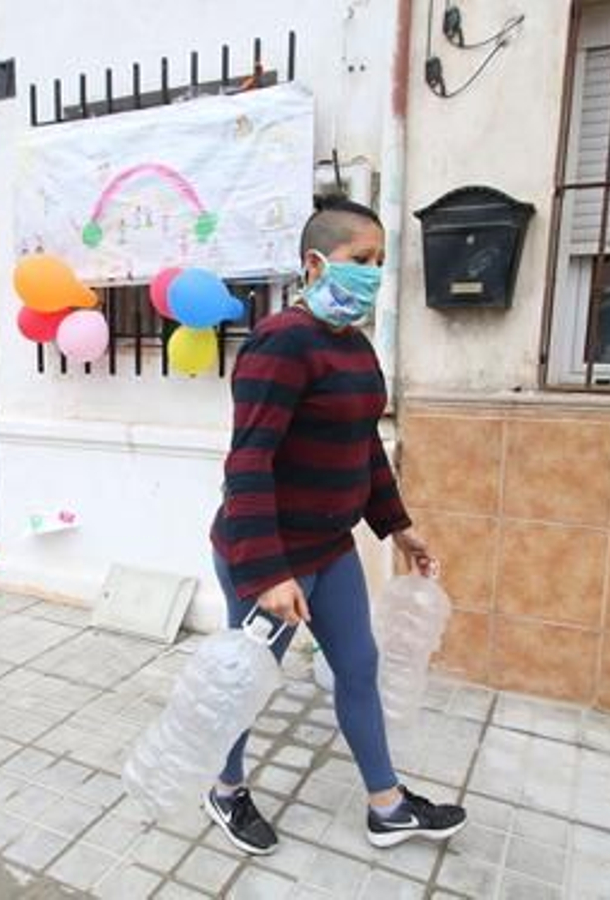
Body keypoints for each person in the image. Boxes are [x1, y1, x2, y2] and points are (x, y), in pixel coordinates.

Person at [204, 196, 467, 855]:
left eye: (380, 261)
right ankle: (226, 790)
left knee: (358, 667)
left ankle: (387, 806)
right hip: (265, 557)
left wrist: (395, 525)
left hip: (329, 549)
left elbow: (364, 443)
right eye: (361, 260)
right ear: (316, 264)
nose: (374, 273)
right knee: (249, 681)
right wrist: (267, 573)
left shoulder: (354, 345)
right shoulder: (281, 343)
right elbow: (248, 461)